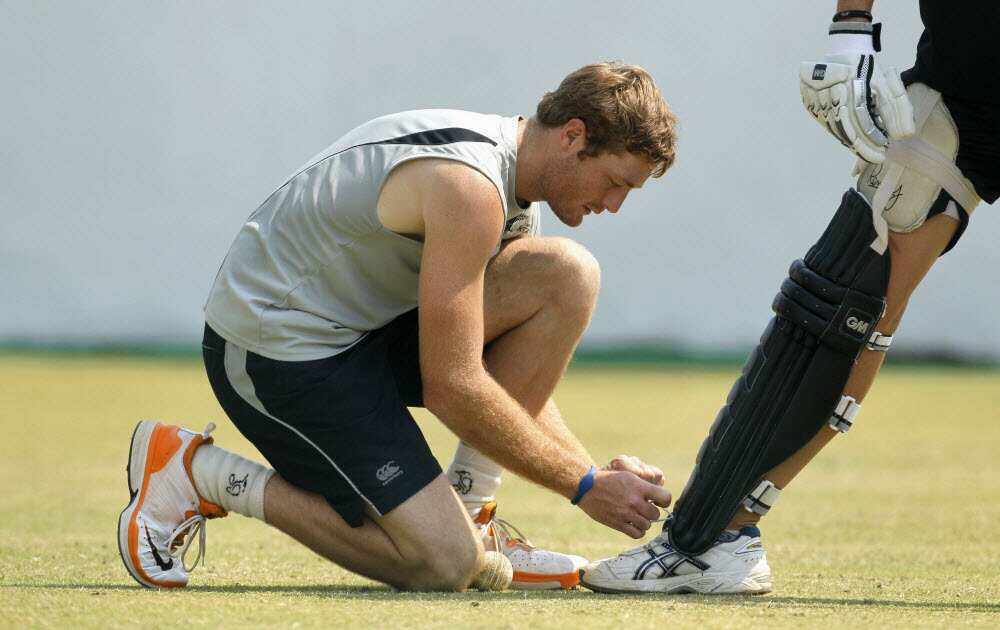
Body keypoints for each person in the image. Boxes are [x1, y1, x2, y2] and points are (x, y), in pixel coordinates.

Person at [117, 62, 677, 592]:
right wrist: (582, 485)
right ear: (573, 136)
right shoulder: (470, 188)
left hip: (364, 331)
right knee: (444, 564)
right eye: (615, 182)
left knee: (566, 275)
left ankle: (473, 512)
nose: (613, 204)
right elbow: (454, 384)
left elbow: (498, 374)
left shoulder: (513, 194)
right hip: (276, 349)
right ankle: (198, 472)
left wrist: (592, 470)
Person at [582, 0, 999, 594]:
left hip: (968, 86)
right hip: (972, 84)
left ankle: (712, 540)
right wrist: (851, 26)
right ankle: (716, 535)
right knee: (847, 298)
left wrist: (851, 28)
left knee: (838, 303)